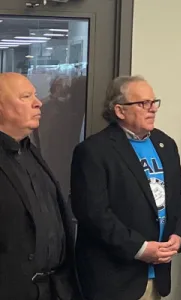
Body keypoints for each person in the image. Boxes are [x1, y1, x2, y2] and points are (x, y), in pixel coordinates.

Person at [70, 75, 181, 300]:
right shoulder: (94, 151)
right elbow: (93, 214)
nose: (152, 109)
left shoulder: (165, 144)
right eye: (143, 103)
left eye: (154, 102)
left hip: (158, 274)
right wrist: (140, 248)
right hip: (115, 277)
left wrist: (179, 234)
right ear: (119, 110)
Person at [0, 72, 80, 300]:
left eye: (35, 95)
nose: (38, 102)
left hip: (54, 288)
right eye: (26, 97)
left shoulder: (30, 151)